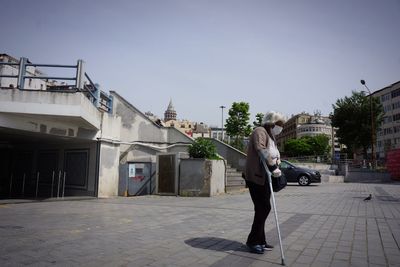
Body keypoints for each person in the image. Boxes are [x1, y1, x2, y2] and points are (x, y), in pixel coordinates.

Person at [244, 111, 286, 254]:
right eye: (279, 124)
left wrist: (278, 162)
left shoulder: (271, 136)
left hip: (266, 177)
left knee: (261, 209)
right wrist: (273, 166)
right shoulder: (260, 131)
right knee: (264, 208)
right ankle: (253, 241)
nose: (281, 127)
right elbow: (261, 149)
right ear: (272, 122)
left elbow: (274, 153)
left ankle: (260, 240)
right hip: (256, 178)